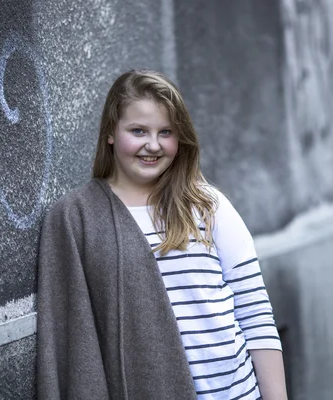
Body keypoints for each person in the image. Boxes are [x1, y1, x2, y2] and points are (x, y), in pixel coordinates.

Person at [37, 69, 287, 400]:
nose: (152, 145)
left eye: (165, 132)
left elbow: (255, 313)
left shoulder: (207, 205)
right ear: (111, 132)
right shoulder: (77, 217)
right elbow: (72, 341)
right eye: (138, 131)